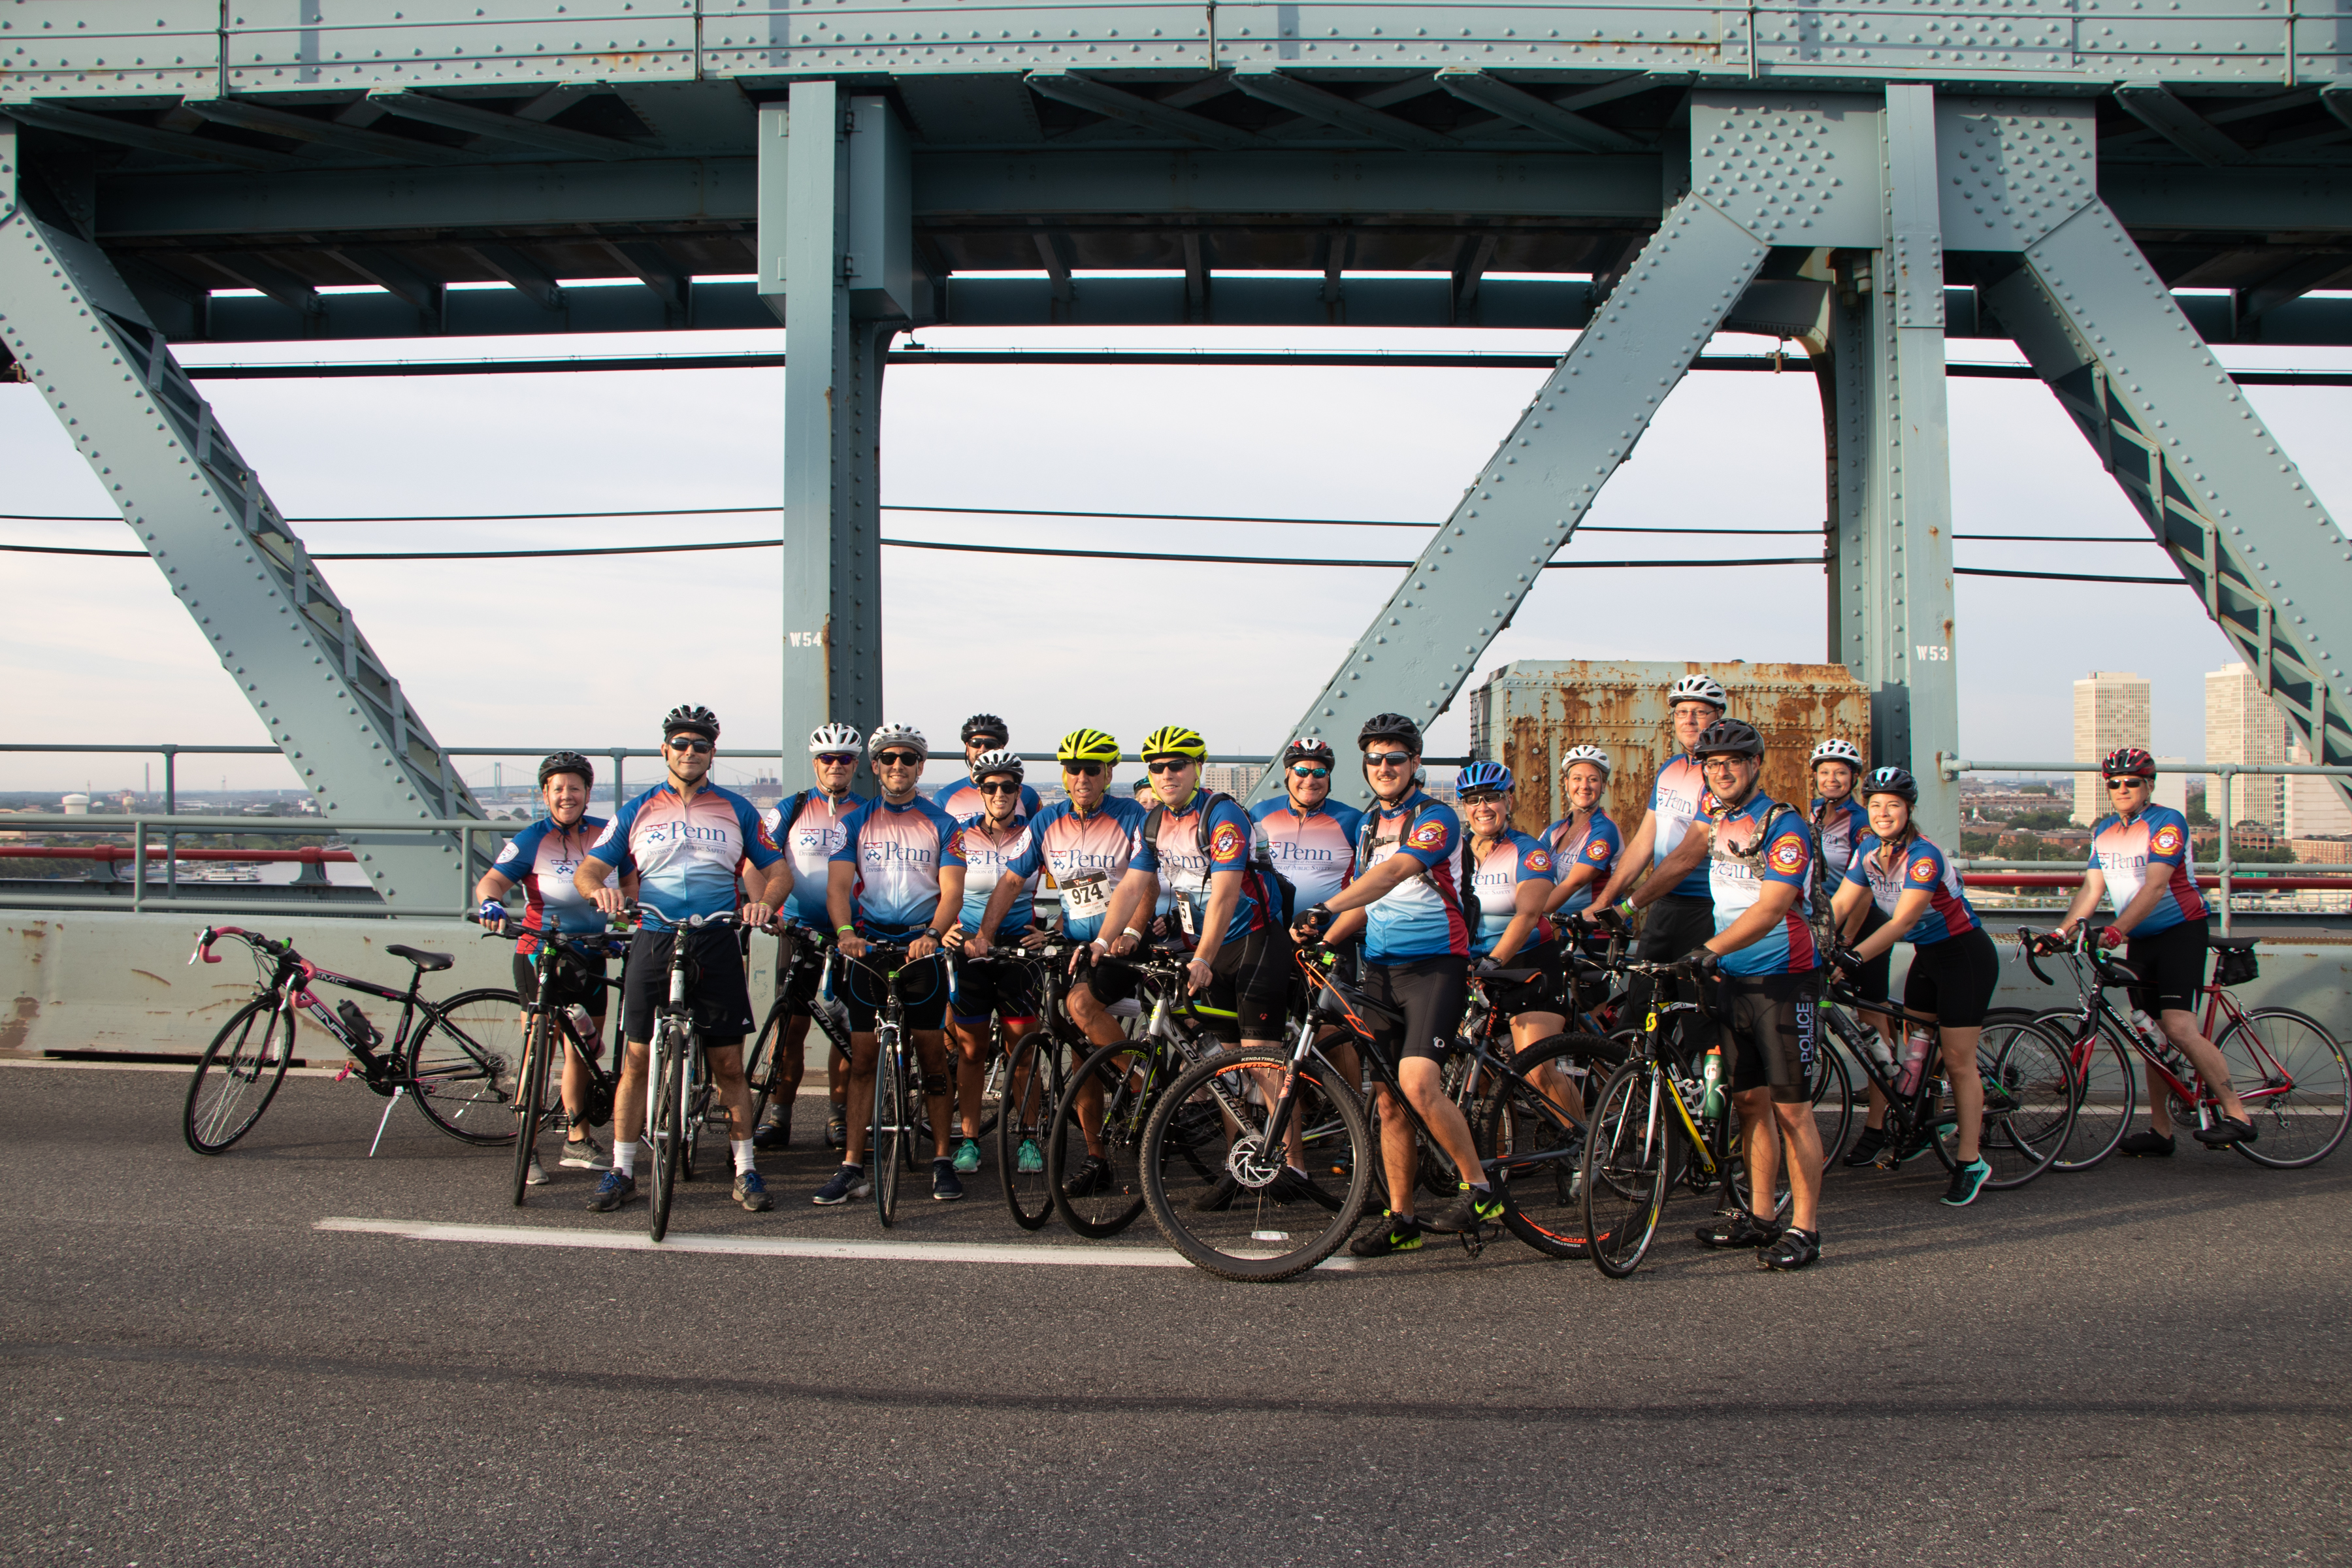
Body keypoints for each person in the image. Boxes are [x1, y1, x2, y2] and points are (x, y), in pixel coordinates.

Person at [1291, 713, 1495, 1258]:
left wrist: (1323, 907)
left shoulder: (1437, 818)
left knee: (1419, 1083)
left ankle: (1479, 1188)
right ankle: (1401, 1218)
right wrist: (1327, 938)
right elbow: (1367, 897)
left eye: (1395, 759)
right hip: (1379, 970)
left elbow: (1394, 873)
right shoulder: (1365, 827)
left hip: (1435, 967)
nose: (1384, 767)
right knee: (1387, 1103)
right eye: (1376, 759)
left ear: (1416, 764)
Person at [574, 706, 790, 1215]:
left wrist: (765, 903)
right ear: (665, 750)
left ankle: (745, 1169)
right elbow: (589, 871)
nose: (690, 752)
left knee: (729, 1064)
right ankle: (622, 1169)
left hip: (715, 941)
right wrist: (600, 895)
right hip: (653, 938)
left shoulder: (738, 809)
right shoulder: (636, 810)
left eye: (700, 745)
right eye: (681, 744)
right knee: (635, 1060)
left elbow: (778, 872)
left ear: (713, 753)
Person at [1650, 717, 1828, 1271]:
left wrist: (1710, 947)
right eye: (1712, 763)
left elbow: (1773, 906)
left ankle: (1805, 1229)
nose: (1722, 771)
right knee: (1750, 1103)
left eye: (1733, 762)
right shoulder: (1715, 815)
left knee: (1793, 1110)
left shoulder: (1784, 825)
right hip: (1735, 977)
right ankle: (1759, 1216)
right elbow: (1679, 859)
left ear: (1755, 766)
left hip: (1783, 979)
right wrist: (1627, 904)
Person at [1108, 725, 1306, 1198]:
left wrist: (1202, 957)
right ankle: (1236, 1166)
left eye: (1177, 764)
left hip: (1253, 942)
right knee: (1226, 1066)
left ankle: (1296, 1166)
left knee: (1265, 1062)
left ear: (1197, 768)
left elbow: (1225, 895)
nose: (1167, 773)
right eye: (1157, 767)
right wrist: (1103, 941)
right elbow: (1132, 886)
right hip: (1208, 951)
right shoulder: (1155, 824)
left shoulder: (1222, 815)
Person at [965, 728, 1150, 1196]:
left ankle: (1139, 1088)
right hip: (1075, 947)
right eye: (1074, 769)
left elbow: (1145, 884)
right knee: (1078, 1053)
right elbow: (1010, 881)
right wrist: (984, 935)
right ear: (1064, 776)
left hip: (1122, 947)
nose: (1082, 776)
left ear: (1110, 773)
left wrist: (1128, 934)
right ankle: (1095, 1159)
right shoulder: (1048, 820)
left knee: (1080, 1008)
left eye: (1093, 769)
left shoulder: (1132, 816)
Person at [2053, 747, 2254, 1150]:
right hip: (2141, 938)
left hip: (2181, 931)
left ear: (2149, 785)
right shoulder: (2104, 830)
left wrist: (2115, 931)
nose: (2122, 788)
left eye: (2132, 782)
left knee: (2178, 1028)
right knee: (2150, 1035)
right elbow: (2092, 889)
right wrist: (2060, 934)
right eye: (2114, 783)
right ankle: (2161, 1132)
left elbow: (2157, 885)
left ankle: (2237, 1114)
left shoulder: (2167, 822)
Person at [1829, 767, 2005, 1204]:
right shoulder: (1868, 851)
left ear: (1909, 810)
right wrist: (1815, 944)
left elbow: (1905, 919)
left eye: (1893, 805)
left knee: (1959, 1061)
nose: (1883, 812)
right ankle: (1932, 1122)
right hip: (1928, 958)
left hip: (1963, 956)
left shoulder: (1924, 856)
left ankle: (1971, 1162)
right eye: (1875, 805)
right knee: (1919, 1050)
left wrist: (1853, 956)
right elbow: (1840, 904)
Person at [815, 723, 970, 1205]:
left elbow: (953, 892)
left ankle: (943, 1159)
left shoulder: (944, 824)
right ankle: (852, 1167)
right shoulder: (855, 821)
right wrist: (844, 934)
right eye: (887, 759)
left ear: (920, 766)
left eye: (907, 759)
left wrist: (930, 935)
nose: (897, 766)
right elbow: (838, 887)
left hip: (920, 948)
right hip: (870, 948)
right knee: (862, 1060)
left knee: (930, 1054)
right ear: (876, 766)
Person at [475, 751, 621, 1184]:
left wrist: (623, 919)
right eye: (558, 788)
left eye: (575, 788)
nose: (567, 795)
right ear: (545, 794)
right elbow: (493, 881)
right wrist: (490, 902)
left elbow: (629, 884)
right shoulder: (530, 838)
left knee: (582, 1049)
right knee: (538, 1049)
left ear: (588, 793)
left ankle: (577, 1140)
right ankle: (529, 1146)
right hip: (540, 954)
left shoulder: (606, 836)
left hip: (593, 952)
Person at [1591, 674, 1729, 1054]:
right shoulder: (1670, 768)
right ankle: (1647, 1108)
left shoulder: (1719, 776)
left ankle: (1715, 1110)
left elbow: (1686, 858)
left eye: (1699, 712)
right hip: (1665, 908)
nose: (1689, 720)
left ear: (1718, 717)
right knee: (1639, 1014)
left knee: (1701, 1023)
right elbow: (1643, 842)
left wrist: (1630, 905)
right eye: (1682, 712)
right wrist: (1607, 898)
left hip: (1704, 909)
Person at [751, 723, 866, 1152]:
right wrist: (764, 905)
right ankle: (780, 1116)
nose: (835, 766)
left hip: (852, 937)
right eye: (827, 759)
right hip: (798, 931)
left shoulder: (866, 811)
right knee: (791, 1029)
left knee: (847, 1030)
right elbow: (754, 859)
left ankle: (838, 1116)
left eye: (845, 759)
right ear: (815, 763)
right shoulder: (791, 808)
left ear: (856, 764)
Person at [936, 747, 1046, 1176]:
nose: (1000, 793)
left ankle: (1030, 1138)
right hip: (968, 947)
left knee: (1022, 1047)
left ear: (1020, 791)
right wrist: (939, 929)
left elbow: (1078, 879)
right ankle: (968, 1141)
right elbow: (938, 885)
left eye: (1009, 786)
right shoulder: (960, 835)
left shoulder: (1035, 833)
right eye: (991, 786)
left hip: (1019, 947)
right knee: (971, 1050)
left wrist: (1048, 929)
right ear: (978, 791)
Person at [1456, 761, 1573, 1111]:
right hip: (1474, 965)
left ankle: (1586, 1149)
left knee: (1538, 1071)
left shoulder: (1528, 851)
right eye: (1473, 800)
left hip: (1528, 962)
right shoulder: (1457, 851)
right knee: (1479, 1066)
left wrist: (1493, 962)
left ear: (1509, 800)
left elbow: (1528, 914)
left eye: (1492, 798)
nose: (1482, 807)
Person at [1808, 737, 1894, 1056]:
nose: (1832, 779)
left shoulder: (1860, 821)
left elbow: (1866, 889)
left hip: (1860, 922)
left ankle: (1888, 1082)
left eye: (1841, 773)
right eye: (1825, 772)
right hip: (1830, 918)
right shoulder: (1816, 813)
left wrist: (1845, 940)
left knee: (1871, 1008)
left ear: (1854, 778)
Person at [1541, 744, 1621, 922]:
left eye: (1592, 780)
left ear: (1604, 785)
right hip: (1560, 926)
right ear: (1567, 784)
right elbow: (1533, 871)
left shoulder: (1604, 830)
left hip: (1593, 932)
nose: (1584, 786)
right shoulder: (1555, 830)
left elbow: (1574, 883)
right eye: (1577, 778)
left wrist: (1528, 918)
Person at [933, 713, 1043, 821]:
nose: (982, 749)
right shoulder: (944, 798)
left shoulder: (1027, 796)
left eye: (990, 744)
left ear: (1001, 748)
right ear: (967, 747)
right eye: (976, 743)